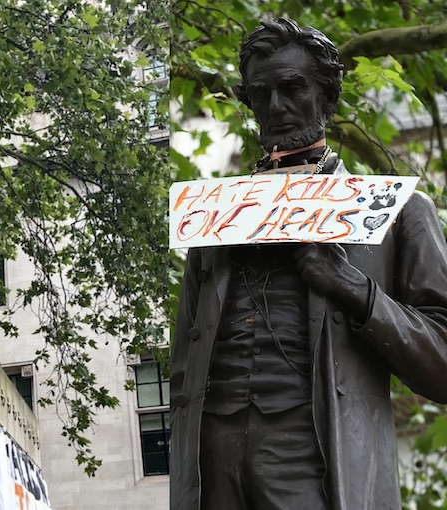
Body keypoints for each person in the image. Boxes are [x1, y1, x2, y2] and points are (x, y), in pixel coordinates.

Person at [170, 18, 447, 510]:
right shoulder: (211, 219)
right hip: (211, 465)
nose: (276, 107)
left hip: (315, 462)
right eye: (261, 93)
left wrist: (357, 291)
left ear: (328, 95)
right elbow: (183, 362)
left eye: (293, 88)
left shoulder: (399, 211)